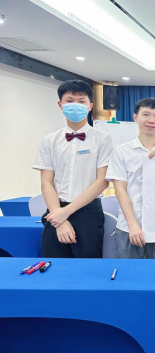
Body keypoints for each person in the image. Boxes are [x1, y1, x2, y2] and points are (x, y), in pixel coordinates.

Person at [33, 80, 114, 258]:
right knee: (54, 265)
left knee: (87, 267)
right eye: (69, 101)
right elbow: (46, 183)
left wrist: (66, 212)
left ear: (90, 106)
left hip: (88, 213)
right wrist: (59, 218)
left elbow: (103, 181)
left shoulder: (103, 139)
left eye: (81, 101)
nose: (75, 105)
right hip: (55, 211)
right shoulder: (49, 140)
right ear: (60, 105)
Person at [106, 98, 155, 259]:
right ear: (135, 117)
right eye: (146, 114)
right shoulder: (121, 152)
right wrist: (132, 224)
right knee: (129, 273)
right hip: (128, 227)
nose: (151, 120)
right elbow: (120, 191)